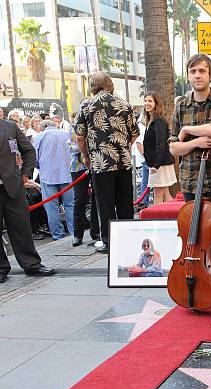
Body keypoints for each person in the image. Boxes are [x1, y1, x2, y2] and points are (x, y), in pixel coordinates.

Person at [75, 71, 139, 253]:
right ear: (110, 83)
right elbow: (134, 133)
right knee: (125, 203)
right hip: (123, 161)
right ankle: (130, 239)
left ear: (92, 86)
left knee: (105, 204)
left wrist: (87, 156)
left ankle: (109, 243)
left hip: (101, 162)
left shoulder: (86, 105)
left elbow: (80, 136)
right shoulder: (124, 104)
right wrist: (123, 146)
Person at [169, 53, 211, 201]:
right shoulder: (180, 106)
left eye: (202, 71)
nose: (197, 75)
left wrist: (186, 130)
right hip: (189, 181)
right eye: (193, 71)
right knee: (193, 225)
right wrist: (195, 143)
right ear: (188, 76)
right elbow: (173, 149)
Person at [0, 116, 56, 282]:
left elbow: (29, 151)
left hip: (13, 186)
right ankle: (1, 269)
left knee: (21, 227)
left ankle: (32, 265)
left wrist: (25, 174)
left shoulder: (10, 127)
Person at [33, 119, 74, 240]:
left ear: (43, 127)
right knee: (70, 206)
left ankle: (58, 236)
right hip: (67, 175)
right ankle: (74, 234)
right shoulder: (65, 134)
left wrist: (39, 166)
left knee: (51, 208)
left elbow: (34, 158)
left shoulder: (39, 136)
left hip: (48, 176)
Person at [69, 117, 99, 247]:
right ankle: (77, 234)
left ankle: (95, 232)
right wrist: (86, 148)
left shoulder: (96, 124)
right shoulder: (74, 127)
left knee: (97, 199)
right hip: (78, 167)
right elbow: (72, 148)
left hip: (96, 165)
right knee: (79, 200)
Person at [143, 92, 176, 205]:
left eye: (150, 101)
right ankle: (175, 218)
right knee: (166, 194)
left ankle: (157, 221)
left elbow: (161, 143)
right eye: (145, 100)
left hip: (160, 164)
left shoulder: (159, 121)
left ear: (156, 104)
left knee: (158, 195)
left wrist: (156, 165)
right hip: (157, 164)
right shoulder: (151, 121)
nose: (147, 103)